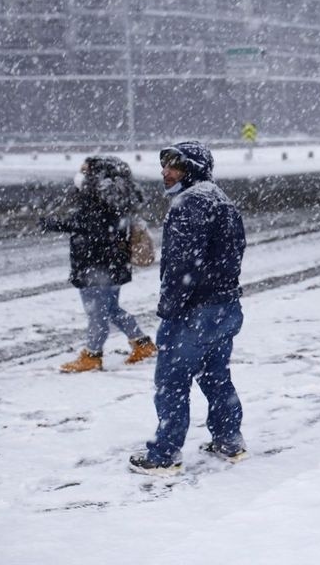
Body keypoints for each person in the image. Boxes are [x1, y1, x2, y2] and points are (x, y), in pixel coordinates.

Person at [129, 140, 248, 476]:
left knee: (172, 382)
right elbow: (235, 252)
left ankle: (165, 455)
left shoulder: (189, 203)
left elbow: (181, 266)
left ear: (192, 169)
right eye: (164, 165)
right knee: (216, 376)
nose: (165, 173)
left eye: (174, 166)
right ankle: (229, 440)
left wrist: (171, 310)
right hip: (225, 306)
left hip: (194, 311)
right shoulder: (220, 199)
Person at [41, 155, 156, 373]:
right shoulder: (117, 197)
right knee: (111, 309)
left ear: (97, 176)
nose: (80, 174)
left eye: (85, 171)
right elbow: (100, 227)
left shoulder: (95, 199)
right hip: (113, 265)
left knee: (97, 313)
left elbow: (90, 226)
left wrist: (55, 224)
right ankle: (142, 344)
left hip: (95, 266)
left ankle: (92, 356)